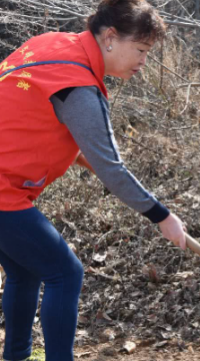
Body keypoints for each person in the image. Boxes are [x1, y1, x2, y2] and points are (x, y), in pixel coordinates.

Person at [0, 0, 187, 360]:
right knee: (65, 273)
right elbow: (113, 170)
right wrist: (162, 217)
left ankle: (17, 357)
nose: (144, 62)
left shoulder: (51, 45)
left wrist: (86, 156)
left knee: (25, 271)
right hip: (4, 195)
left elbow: (28, 115)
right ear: (111, 37)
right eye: (142, 50)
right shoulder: (79, 86)